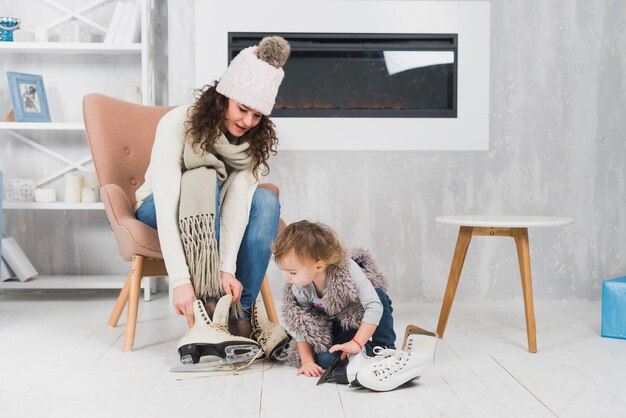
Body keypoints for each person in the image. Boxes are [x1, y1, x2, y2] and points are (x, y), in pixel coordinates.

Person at [134, 36, 291, 353]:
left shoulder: (252, 144)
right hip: (157, 204)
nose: (247, 122)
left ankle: (238, 315)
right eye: (242, 109)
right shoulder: (177, 123)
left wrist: (226, 270)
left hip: (215, 207)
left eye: (257, 115)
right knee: (206, 179)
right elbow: (166, 206)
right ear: (224, 98)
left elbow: (236, 207)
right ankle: (209, 310)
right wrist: (179, 281)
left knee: (265, 200)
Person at [272, 220, 397, 377]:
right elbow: (302, 324)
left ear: (319, 266)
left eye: (293, 272)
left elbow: (374, 306)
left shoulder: (348, 269)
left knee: (379, 296)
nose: (287, 278)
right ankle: (362, 352)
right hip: (336, 327)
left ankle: (384, 349)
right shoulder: (299, 288)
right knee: (325, 360)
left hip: (356, 314)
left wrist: (357, 342)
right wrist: (307, 361)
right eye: (285, 271)